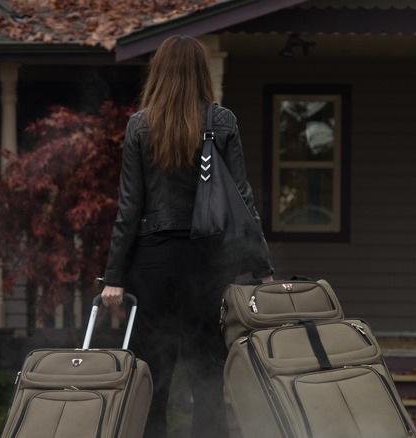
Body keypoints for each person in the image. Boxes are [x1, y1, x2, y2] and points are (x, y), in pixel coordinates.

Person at [100, 35, 273, 438]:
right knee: (208, 378)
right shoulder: (222, 120)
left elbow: (129, 208)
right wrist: (263, 269)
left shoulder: (140, 125)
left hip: (152, 265)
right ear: (201, 72)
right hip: (207, 263)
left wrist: (114, 277)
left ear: (158, 73)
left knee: (152, 382)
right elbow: (242, 200)